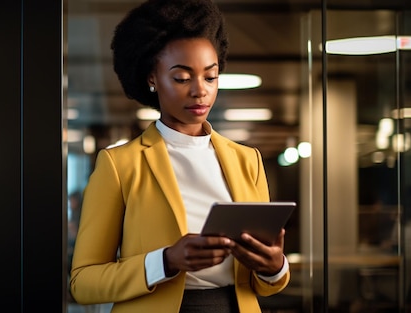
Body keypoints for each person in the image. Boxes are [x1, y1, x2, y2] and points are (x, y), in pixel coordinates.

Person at [69, 0, 290, 312]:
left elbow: (263, 285)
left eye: (210, 77)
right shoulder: (120, 165)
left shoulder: (247, 160)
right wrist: (166, 261)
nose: (200, 91)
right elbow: (83, 282)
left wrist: (274, 266)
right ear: (152, 78)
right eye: (182, 78)